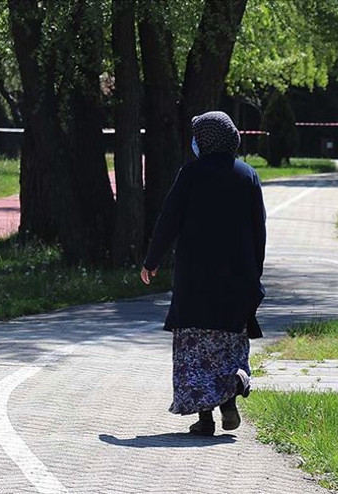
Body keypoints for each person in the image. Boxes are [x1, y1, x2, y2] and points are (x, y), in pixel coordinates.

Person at [140, 111, 266, 436]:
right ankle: (232, 390)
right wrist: (255, 273)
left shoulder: (191, 174)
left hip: (195, 282)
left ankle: (205, 418)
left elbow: (169, 220)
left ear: (204, 140)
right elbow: (259, 230)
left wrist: (151, 260)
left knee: (196, 351)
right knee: (229, 344)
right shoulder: (248, 175)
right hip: (237, 282)